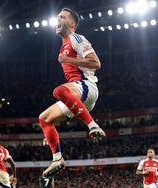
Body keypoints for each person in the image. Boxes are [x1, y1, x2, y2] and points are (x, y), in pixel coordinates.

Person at [39, 7, 106, 177]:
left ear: (71, 23)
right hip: (77, 96)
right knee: (44, 119)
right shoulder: (63, 46)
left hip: (86, 86)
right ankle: (57, 158)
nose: (57, 20)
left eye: (61, 17)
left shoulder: (76, 38)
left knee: (59, 91)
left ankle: (93, 125)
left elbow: (96, 63)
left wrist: (67, 59)